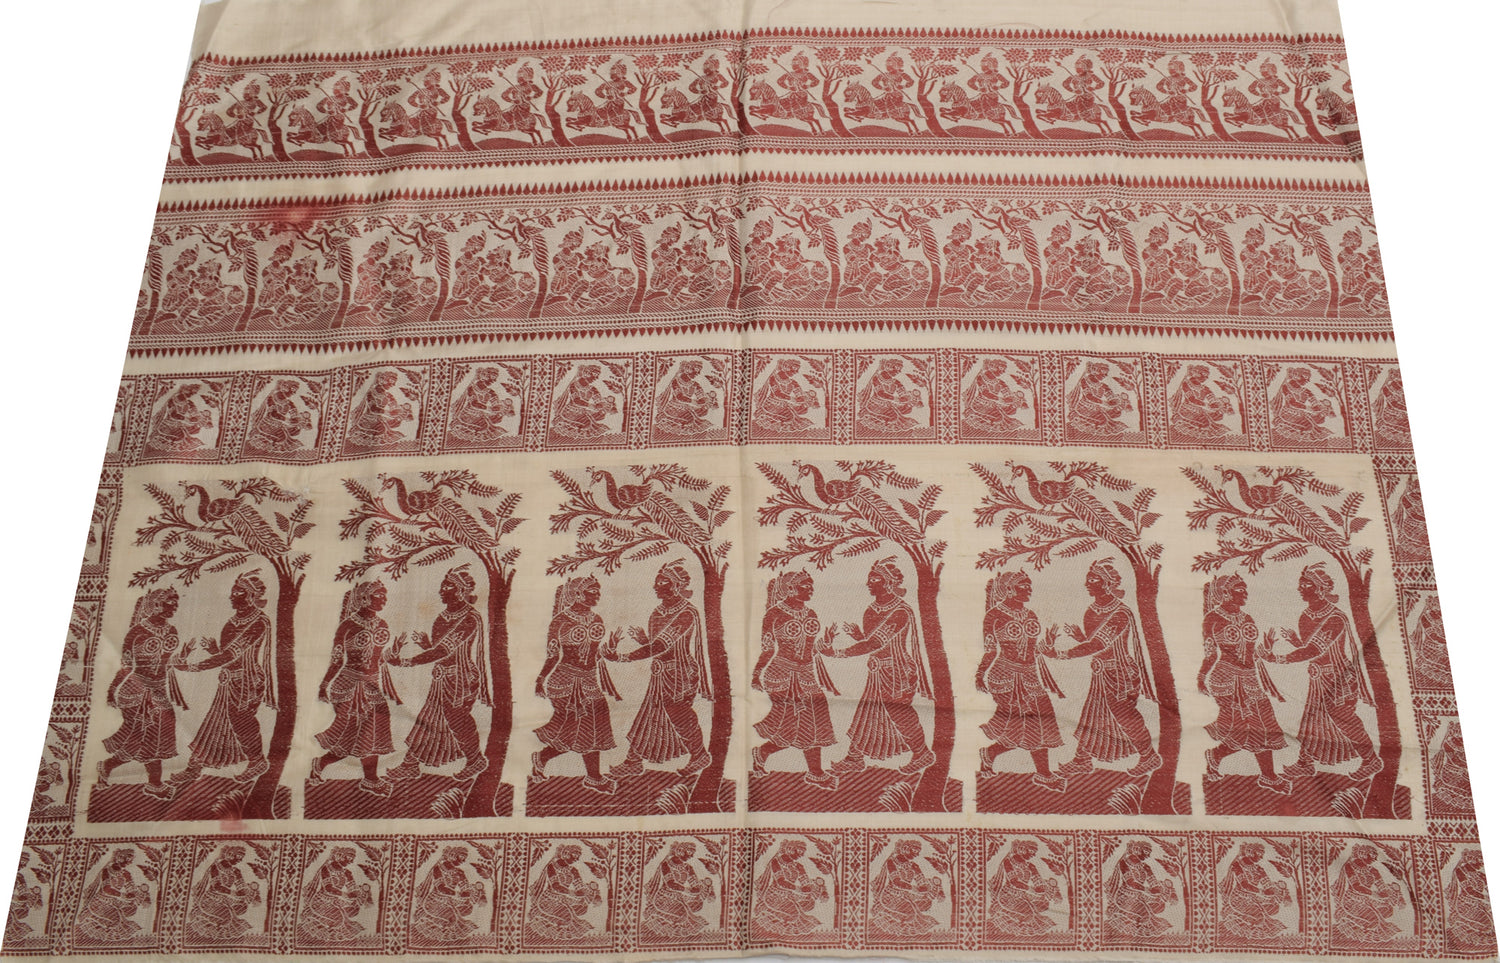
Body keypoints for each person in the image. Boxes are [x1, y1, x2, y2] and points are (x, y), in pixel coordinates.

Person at [1266, 565, 1381, 782]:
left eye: (1306, 585)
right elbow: (1311, 646)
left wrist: (1279, 658)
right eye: (1300, 584)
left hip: (1338, 677)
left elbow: (1314, 650)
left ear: (1320, 589)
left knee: (1345, 719)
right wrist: (1297, 642)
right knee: (1312, 719)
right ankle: (1305, 763)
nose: (1300, 588)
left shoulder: (1335, 618)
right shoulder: (1306, 615)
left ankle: (1370, 760)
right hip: (1318, 678)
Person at [1051, 559, 1161, 777]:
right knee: (1092, 714)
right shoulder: (1092, 610)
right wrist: (1081, 638)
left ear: (1108, 583)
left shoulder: (1120, 613)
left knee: (1125, 716)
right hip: (1101, 673)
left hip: (1119, 674)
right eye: (1088, 579)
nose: (1087, 583)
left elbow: (1099, 644)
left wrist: (1062, 654)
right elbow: (1096, 642)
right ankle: (1082, 760)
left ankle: (1149, 757)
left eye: (1093, 580)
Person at [168, 572, 275, 793]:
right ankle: (195, 767)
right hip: (229, 680)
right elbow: (228, 654)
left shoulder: (259, 622)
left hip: (247, 683)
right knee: (215, 722)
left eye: (238, 592)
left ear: (251, 596)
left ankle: (257, 761)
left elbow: (231, 655)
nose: (232, 596)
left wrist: (193, 667)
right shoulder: (234, 621)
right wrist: (214, 651)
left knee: (241, 722)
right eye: (233, 591)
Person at [827, 557, 936, 775]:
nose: (869, 583)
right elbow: (872, 641)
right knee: (867, 711)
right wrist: (860, 636)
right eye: (869, 579)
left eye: (875, 579)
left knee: (900, 714)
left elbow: (876, 643)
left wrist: (838, 653)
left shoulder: (900, 611)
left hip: (897, 672)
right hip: (877, 671)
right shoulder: (871, 609)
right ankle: (854, 758)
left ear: (888, 583)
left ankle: (923, 753)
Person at [609, 561, 712, 779]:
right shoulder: (657, 612)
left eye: (662, 582)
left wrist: (622, 657)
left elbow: (660, 646)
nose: (656, 586)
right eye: (656, 582)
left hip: (680, 675)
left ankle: (700, 755)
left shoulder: (686, 613)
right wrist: (644, 641)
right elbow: (658, 647)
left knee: (679, 716)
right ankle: (633, 761)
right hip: (660, 674)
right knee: (649, 714)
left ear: (676, 586)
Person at [387, 568, 491, 783]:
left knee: (457, 721)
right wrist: (427, 646)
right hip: (442, 678)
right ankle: (410, 764)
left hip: (461, 680)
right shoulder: (443, 616)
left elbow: (443, 651)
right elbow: (440, 649)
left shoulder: (470, 618)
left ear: (460, 591)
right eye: (442, 586)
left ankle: (475, 760)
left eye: (447, 586)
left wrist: (406, 662)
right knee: (429, 719)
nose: (441, 590)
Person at [1198, 574, 1291, 794]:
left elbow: (1251, 654)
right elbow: (1211, 654)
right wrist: (1201, 677)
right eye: (1240, 590)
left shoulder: (1247, 617)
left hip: (1250, 679)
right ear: (1225, 593)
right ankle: (1221, 758)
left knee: (1263, 726)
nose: (1245, 594)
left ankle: (1264, 775)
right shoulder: (1212, 618)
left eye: (1245, 589)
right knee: (1241, 728)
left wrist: (1265, 648)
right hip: (1226, 680)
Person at [977, 572, 1065, 790]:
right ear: (1009, 589)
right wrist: (979, 674)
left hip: (1029, 676)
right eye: (1023, 586)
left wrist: (1048, 643)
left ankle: (991, 754)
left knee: (1040, 722)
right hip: (1005, 676)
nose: (1028, 590)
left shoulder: (1030, 613)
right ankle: (1042, 773)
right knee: (1024, 725)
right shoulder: (994, 615)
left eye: (1029, 586)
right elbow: (990, 650)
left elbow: (1034, 650)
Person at [751, 570, 838, 789]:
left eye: (811, 585)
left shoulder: (811, 613)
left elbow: (811, 649)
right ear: (790, 588)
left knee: (813, 721)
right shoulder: (774, 614)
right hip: (781, 674)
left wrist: (826, 643)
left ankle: (766, 753)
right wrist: (756, 674)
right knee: (792, 724)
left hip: (806, 675)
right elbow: (768, 649)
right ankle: (813, 772)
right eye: (805, 586)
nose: (811, 589)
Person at [98, 588, 188, 800]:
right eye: (169, 602)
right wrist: (112, 690)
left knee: (157, 735)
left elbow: (167, 663)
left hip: (158, 690)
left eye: (175, 603)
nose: (174, 606)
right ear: (155, 604)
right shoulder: (137, 632)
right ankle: (153, 783)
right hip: (135, 691)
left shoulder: (172, 630)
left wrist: (184, 656)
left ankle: (109, 767)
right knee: (144, 735)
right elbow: (127, 665)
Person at [532, 576, 619, 793]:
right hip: (565, 682)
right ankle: (591, 776)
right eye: (592, 591)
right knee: (577, 728)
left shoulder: (596, 617)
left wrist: (610, 648)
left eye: (598, 591)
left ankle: (546, 759)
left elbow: (595, 653)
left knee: (592, 726)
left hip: (589, 680)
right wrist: (540, 679)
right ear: (577, 594)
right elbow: (553, 655)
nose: (597, 595)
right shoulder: (560, 620)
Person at [309, 582, 397, 795]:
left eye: (385, 595)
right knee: (353, 735)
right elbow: (337, 660)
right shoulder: (347, 626)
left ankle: (364, 777)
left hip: (371, 686)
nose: (384, 599)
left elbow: (378, 659)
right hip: (348, 686)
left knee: (371, 732)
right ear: (364, 598)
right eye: (379, 595)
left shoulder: (382, 623)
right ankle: (365, 778)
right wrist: (324, 685)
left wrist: (394, 653)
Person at [868, 839, 944, 937]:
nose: (917, 854)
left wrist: (934, 885)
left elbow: (922, 882)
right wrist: (916, 889)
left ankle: (903, 912)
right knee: (911, 911)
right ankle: (887, 914)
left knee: (927, 903)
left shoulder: (914, 866)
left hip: (907, 895)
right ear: (906, 849)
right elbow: (897, 882)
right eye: (915, 851)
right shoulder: (891, 862)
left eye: (918, 852)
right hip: (891, 896)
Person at [640, 841, 715, 939]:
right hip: (664, 897)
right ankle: (661, 919)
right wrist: (688, 890)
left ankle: (676, 915)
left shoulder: (688, 868)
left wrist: (704, 887)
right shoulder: (666, 864)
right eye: (689, 852)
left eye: (692, 853)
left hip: (680, 897)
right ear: (680, 851)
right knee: (682, 913)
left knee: (698, 904)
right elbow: (671, 885)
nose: (691, 856)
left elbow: (695, 885)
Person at [1218, 843, 1291, 941]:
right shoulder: (1237, 866)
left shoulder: (1258, 869)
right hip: (1239, 898)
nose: (1261, 857)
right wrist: (1263, 892)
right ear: (1250, 853)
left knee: (1274, 908)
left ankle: (1249, 915)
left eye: (1262, 855)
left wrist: (1278, 890)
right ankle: (1239, 920)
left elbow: (1267, 884)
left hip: (1254, 898)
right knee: (1259, 916)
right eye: (1259, 854)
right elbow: (1245, 886)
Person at [753, 840, 827, 937]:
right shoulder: (776, 862)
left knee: (810, 903)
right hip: (775, 895)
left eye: (802, 853)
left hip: (790, 895)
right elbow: (781, 882)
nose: (801, 855)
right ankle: (769, 913)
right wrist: (800, 889)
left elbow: (805, 881)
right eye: (799, 852)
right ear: (790, 849)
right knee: (794, 914)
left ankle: (784, 910)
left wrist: (817, 888)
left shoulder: (798, 866)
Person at [1104, 840, 1177, 938]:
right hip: (1125, 897)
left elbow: (1153, 883)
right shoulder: (1124, 863)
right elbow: (1131, 883)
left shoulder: (1145, 867)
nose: (1147, 856)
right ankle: (1132, 921)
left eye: (1148, 853)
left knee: (1160, 905)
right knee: (1145, 913)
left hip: (1140, 896)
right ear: (1137, 850)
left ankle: (1131, 914)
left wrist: (1164, 890)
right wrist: (1148, 891)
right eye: (1146, 852)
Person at [1332, 845, 1404, 943]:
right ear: (1363, 855)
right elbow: (1356, 886)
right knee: (1374, 919)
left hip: (1368, 900)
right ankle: (1347, 918)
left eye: (1375, 857)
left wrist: (1393, 892)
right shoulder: (1349, 866)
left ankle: (1363, 919)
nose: (1374, 859)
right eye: (1372, 856)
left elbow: (1381, 886)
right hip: (1352, 900)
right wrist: (1374, 894)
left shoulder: (1373, 870)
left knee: (1388, 910)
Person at [75, 849, 151, 942]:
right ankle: (97, 923)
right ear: (119, 858)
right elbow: (106, 889)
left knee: (132, 908)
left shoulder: (126, 873)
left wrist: (141, 893)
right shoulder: (107, 871)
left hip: (115, 901)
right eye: (128, 859)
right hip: (102, 901)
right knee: (115, 918)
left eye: (130, 860)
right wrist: (122, 895)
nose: (129, 862)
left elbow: (131, 888)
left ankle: (110, 917)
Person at [411, 846, 484, 942]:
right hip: (434, 902)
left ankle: (441, 924)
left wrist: (473, 890)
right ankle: (438, 935)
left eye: (464, 859)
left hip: (449, 902)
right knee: (453, 919)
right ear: (453, 855)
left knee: (467, 909)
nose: (463, 861)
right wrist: (459, 894)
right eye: (461, 857)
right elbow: (441, 889)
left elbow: (465, 887)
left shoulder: (460, 872)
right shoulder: (438, 868)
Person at [988, 840, 1062, 935]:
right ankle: (1010, 919)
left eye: (1034, 853)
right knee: (1029, 912)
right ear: (1022, 850)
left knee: (1044, 905)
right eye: (1031, 851)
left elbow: (1038, 882)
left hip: (1023, 896)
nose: (1033, 855)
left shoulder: (1030, 866)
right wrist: (1031, 890)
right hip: (1008, 896)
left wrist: (1051, 890)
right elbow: (1014, 882)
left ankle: (1022, 912)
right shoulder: (1008, 862)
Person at [527, 845, 600, 941]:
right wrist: (574, 893)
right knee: (567, 917)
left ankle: (558, 922)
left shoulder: (573, 870)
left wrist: (590, 890)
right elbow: (556, 887)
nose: (576, 859)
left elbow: (579, 886)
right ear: (566, 854)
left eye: (578, 857)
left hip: (564, 899)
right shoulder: (552, 867)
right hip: (549, 899)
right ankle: (546, 925)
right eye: (575, 856)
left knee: (582, 908)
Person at [189, 846, 260, 941]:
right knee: (227, 915)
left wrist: (250, 890)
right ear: (230, 855)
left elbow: (241, 886)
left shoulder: (235, 871)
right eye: (239, 857)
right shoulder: (216, 867)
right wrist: (234, 893)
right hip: (211, 899)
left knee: (243, 907)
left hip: (226, 900)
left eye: (241, 857)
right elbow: (217, 886)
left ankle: (221, 917)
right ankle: (213, 927)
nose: (240, 860)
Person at [300, 847, 371, 942]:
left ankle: (335, 915)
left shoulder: (346, 872)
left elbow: (352, 887)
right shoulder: (326, 869)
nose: (351, 862)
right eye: (349, 858)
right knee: (339, 919)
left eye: (352, 859)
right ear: (339, 856)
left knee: (354, 910)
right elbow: (329, 889)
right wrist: (347, 895)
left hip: (336, 901)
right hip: (322, 901)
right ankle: (315, 919)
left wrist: (360, 892)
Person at [752, 359, 822, 434]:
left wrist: (806, 398)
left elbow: (799, 394)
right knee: (788, 419)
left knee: (793, 417)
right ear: (786, 367)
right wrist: (794, 399)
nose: (796, 372)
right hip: (771, 405)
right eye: (794, 369)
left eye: (797, 370)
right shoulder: (773, 379)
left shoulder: (793, 382)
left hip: (784, 406)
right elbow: (778, 394)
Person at [448, 367, 515, 444]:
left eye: (495, 378)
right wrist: (490, 409)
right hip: (467, 416)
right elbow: (474, 403)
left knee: (491, 423)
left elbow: (496, 403)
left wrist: (503, 408)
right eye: (493, 377)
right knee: (483, 427)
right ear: (485, 377)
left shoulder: (490, 392)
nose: (494, 381)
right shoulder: (472, 388)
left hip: (481, 416)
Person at [961, 359, 1029, 433]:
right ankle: (981, 420)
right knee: (999, 417)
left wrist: (1015, 399)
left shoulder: (1000, 382)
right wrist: (1002, 400)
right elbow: (986, 393)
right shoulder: (981, 378)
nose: (1002, 372)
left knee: (1011, 410)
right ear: (992, 368)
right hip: (980, 404)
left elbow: (1007, 393)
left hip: (994, 404)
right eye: (1001, 369)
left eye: (1003, 370)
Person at [346, 371, 412, 448]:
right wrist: (389, 413)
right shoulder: (371, 393)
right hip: (368, 420)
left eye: (394, 382)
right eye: (391, 381)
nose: (393, 385)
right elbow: (373, 409)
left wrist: (402, 411)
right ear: (382, 380)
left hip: (379, 419)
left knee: (395, 423)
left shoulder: (387, 395)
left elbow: (394, 406)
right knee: (382, 430)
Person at [246, 379, 314, 453]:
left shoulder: (289, 402)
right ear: (285, 388)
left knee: (292, 431)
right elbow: (273, 414)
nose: (294, 393)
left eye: (295, 390)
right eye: (293, 389)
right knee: (281, 438)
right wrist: (288, 420)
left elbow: (294, 414)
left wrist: (301, 418)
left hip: (280, 424)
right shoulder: (271, 399)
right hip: (268, 424)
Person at [856, 358, 924, 433]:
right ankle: (873, 417)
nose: (898, 371)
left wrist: (911, 398)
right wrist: (898, 399)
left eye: (899, 370)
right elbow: (881, 394)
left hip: (888, 405)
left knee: (907, 409)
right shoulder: (877, 378)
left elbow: (903, 393)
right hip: (875, 404)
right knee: (894, 418)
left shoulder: (895, 382)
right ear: (888, 367)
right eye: (896, 369)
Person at [1269, 366, 1335, 443]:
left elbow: (1314, 401)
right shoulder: (1286, 387)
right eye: (1305, 377)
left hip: (1302, 413)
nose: (1307, 380)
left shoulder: (1306, 391)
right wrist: (1311, 409)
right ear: (1297, 377)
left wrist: (1320, 408)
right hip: (1288, 413)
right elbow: (1292, 403)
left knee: (1317, 418)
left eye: (1308, 378)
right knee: (1308, 423)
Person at [551, 363, 618, 439]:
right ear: (587, 374)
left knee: (599, 415)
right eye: (595, 375)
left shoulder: (592, 388)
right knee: (587, 425)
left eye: (597, 376)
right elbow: (576, 401)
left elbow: (598, 400)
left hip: (583, 412)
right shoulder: (574, 385)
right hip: (570, 412)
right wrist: (592, 406)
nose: (596, 378)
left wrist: (606, 404)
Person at [1067, 361, 1134, 436]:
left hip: (1097, 408)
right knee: (1103, 420)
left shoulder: (1103, 386)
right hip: (1084, 407)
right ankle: (1083, 421)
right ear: (1096, 372)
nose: (1105, 376)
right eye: (1103, 373)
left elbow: (1110, 396)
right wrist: (1105, 403)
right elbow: (1089, 397)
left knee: (1115, 413)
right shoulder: (1085, 381)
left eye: (1106, 374)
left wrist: (1117, 401)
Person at [1445, 851, 1495, 949]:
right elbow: (1469, 891)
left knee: (1493, 928)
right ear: (1472, 860)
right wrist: (1485, 897)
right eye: (1480, 861)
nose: (1482, 864)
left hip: (1480, 904)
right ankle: (1459, 921)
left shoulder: (1480, 875)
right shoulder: (1460, 871)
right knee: (1488, 927)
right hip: (1466, 904)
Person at [1169, 364, 1235, 439]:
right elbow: (1192, 400)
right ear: (1196, 374)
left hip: (1201, 409)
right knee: (1205, 422)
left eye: (1206, 376)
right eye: (1203, 375)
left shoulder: (1204, 388)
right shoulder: (1186, 384)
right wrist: (1207, 405)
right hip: (1187, 409)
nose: (1206, 378)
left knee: (1218, 415)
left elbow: (1211, 398)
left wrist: (1219, 403)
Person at [656, 360, 719, 436]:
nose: (698, 373)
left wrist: (707, 401)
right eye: (696, 370)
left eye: (698, 371)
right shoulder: (676, 381)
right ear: (687, 369)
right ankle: (672, 421)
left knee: (703, 411)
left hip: (687, 407)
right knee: (689, 418)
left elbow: (701, 396)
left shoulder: (695, 384)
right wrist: (695, 402)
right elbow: (680, 397)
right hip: (674, 407)